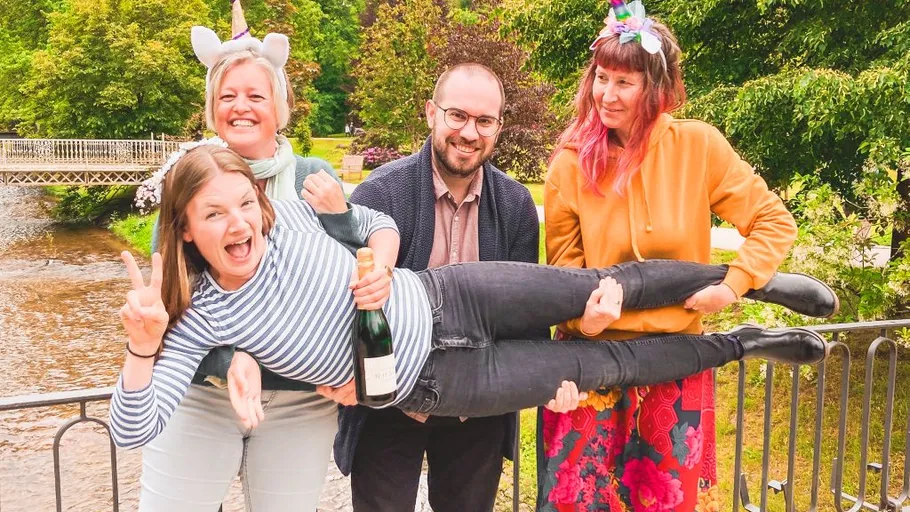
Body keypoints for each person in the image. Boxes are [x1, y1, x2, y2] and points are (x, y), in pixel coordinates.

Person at [109, 145, 834, 460]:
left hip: (452, 294)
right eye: (214, 214)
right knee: (608, 365)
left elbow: (377, 223)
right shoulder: (199, 318)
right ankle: (744, 343)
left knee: (603, 284)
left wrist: (380, 259)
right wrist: (143, 347)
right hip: (437, 383)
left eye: (244, 203)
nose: (239, 223)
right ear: (185, 229)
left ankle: (751, 280)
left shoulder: (294, 215)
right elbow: (131, 430)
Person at [538, 1, 831, 509]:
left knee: (664, 502)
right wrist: (584, 320)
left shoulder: (698, 146)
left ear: (655, 88)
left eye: (624, 83)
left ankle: (751, 335)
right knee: (576, 501)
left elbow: (773, 220)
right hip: (590, 361)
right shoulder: (569, 164)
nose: (607, 94)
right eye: (601, 78)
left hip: (675, 363)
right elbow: (563, 272)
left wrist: (732, 285)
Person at [132, 3, 383, 510]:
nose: (240, 107)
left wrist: (361, 368)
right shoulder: (185, 181)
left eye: (255, 95)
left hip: (303, 401)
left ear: (279, 105)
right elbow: (171, 305)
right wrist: (230, 359)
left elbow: (354, 276)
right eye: (227, 96)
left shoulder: (313, 176)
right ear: (212, 109)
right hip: (203, 394)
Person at [336, 63, 542, 512]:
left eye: (484, 121)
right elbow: (344, 305)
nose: (469, 132)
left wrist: (547, 377)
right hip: (390, 401)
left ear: (499, 127)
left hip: (477, 406)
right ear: (431, 113)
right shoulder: (380, 194)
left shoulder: (515, 207)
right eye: (457, 115)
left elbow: (526, 317)